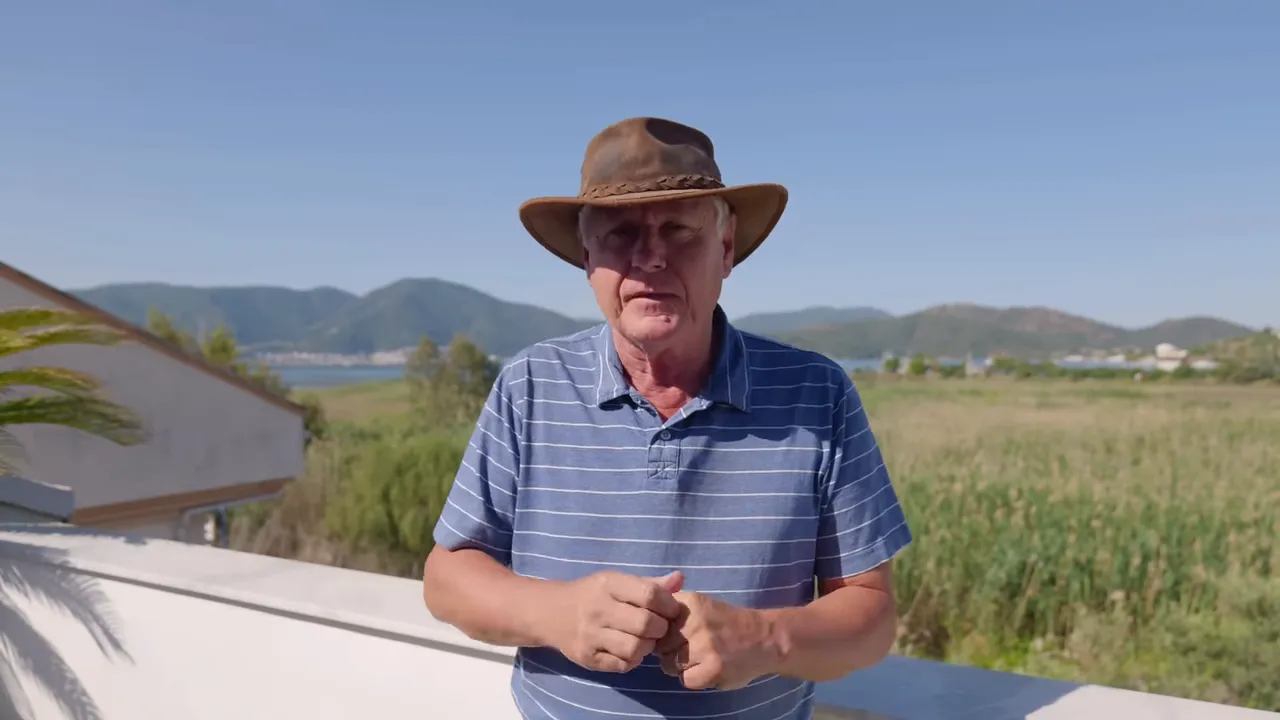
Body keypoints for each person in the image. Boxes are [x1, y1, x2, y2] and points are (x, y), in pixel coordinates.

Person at [423, 117, 913, 719]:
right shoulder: (530, 385)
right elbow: (447, 578)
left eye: (679, 230)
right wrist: (557, 613)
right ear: (587, 257)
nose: (650, 258)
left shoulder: (818, 393)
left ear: (726, 248)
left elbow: (872, 617)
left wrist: (765, 640)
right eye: (619, 233)